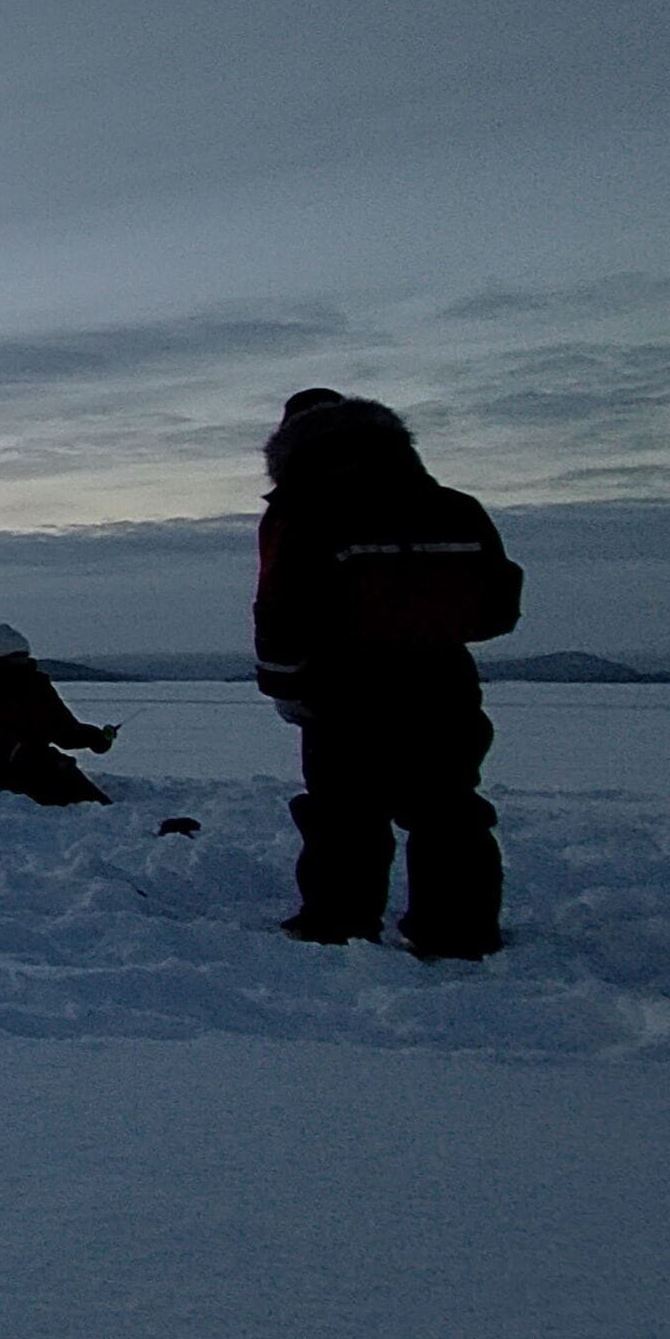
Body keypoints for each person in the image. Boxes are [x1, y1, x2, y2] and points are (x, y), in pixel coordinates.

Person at [253, 389, 521, 958]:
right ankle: (459, 930)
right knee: (448, 806)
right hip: (443, 680)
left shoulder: (304, 512)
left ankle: (338, 923)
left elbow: (281, 605)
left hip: (345, 688)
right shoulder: (457, 508)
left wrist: (285, 685)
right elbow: (499, 608)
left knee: (345, 810)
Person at [0, 624, 117, 805]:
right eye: (15, 656)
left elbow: (63, 728)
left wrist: (95, 738)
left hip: (48, 763)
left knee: (98, 806)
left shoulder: (38, 686)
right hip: (12, 770)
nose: (22, 660)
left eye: (24, 655)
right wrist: (16, 750)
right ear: (2, 657)